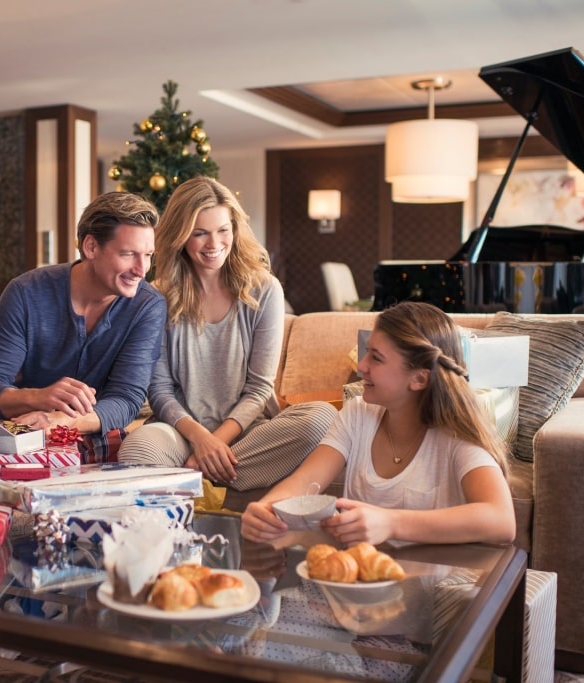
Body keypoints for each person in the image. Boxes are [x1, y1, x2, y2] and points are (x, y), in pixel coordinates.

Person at [117, 177, 336, 490]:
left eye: (223, 230)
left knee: (320, 419)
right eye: (200, 233)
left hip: (246, 433)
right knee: (137, 450)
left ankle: (193, 479)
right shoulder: (158, 296)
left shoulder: (264, 289)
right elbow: (161, 390)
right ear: (180, 236)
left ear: (235, 229)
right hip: (180, 431)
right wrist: (200, 439)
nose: (214, 243)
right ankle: (215, 479)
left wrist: (215, 444)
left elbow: (260, 389)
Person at [241, 301, 516, 548]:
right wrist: (267, 510)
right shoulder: (357, 413)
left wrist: (391, 523)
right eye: (367, 353)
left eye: (376, 357)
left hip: (432, 588)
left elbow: (501, 521)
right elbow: (304, 481)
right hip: (357, 584)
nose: (361, 366)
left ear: (419, 379)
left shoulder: (456, 433)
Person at [0, 191, 166, 461]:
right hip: (23, 435)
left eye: (148, 255)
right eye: (129, 254)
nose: (142, 269)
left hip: (93, 436)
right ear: (91, 247)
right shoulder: (26, 292)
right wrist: (39, 397)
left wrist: (58, 421)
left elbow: (126, 399)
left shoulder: (147, 305)